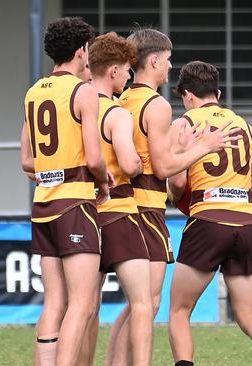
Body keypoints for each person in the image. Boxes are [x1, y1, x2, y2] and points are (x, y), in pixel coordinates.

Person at [109, 28, 235, 364]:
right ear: (153, 60)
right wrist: (202, 149)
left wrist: (178, 148)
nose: (170, 67)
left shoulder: (121, 98)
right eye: (167, 60)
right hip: (146, 209)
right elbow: (163, 169)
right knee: (146, 303)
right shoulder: (157, 104)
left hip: (119, 205)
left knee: (136, 305)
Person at [167, 61, 252, 366]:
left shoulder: (183, 124)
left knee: (179, 311)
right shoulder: (244, 125)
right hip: (247, 222)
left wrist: (174, 195)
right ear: (218, 93)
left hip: (208, 220)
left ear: (186, 95)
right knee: (249, 316)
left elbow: (178, 182)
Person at [20, 17, 108, 366]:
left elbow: (27, 160)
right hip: (75, 204)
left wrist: (50, 171)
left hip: (43, 205)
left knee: (54, 303)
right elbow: (95, 156)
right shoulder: (83, 91)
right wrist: (102, 180)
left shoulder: (33, 91)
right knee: (82, 304)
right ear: (80, 51)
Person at [88, 32, 153, 366]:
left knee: (86, 308)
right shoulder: (116, 113)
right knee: (144, 304)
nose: (129, 76)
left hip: (85, 214)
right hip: (120, 211)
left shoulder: (76, 109)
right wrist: (142, 161)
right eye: (127, 69)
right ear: (113, 71)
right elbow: (129, 164)